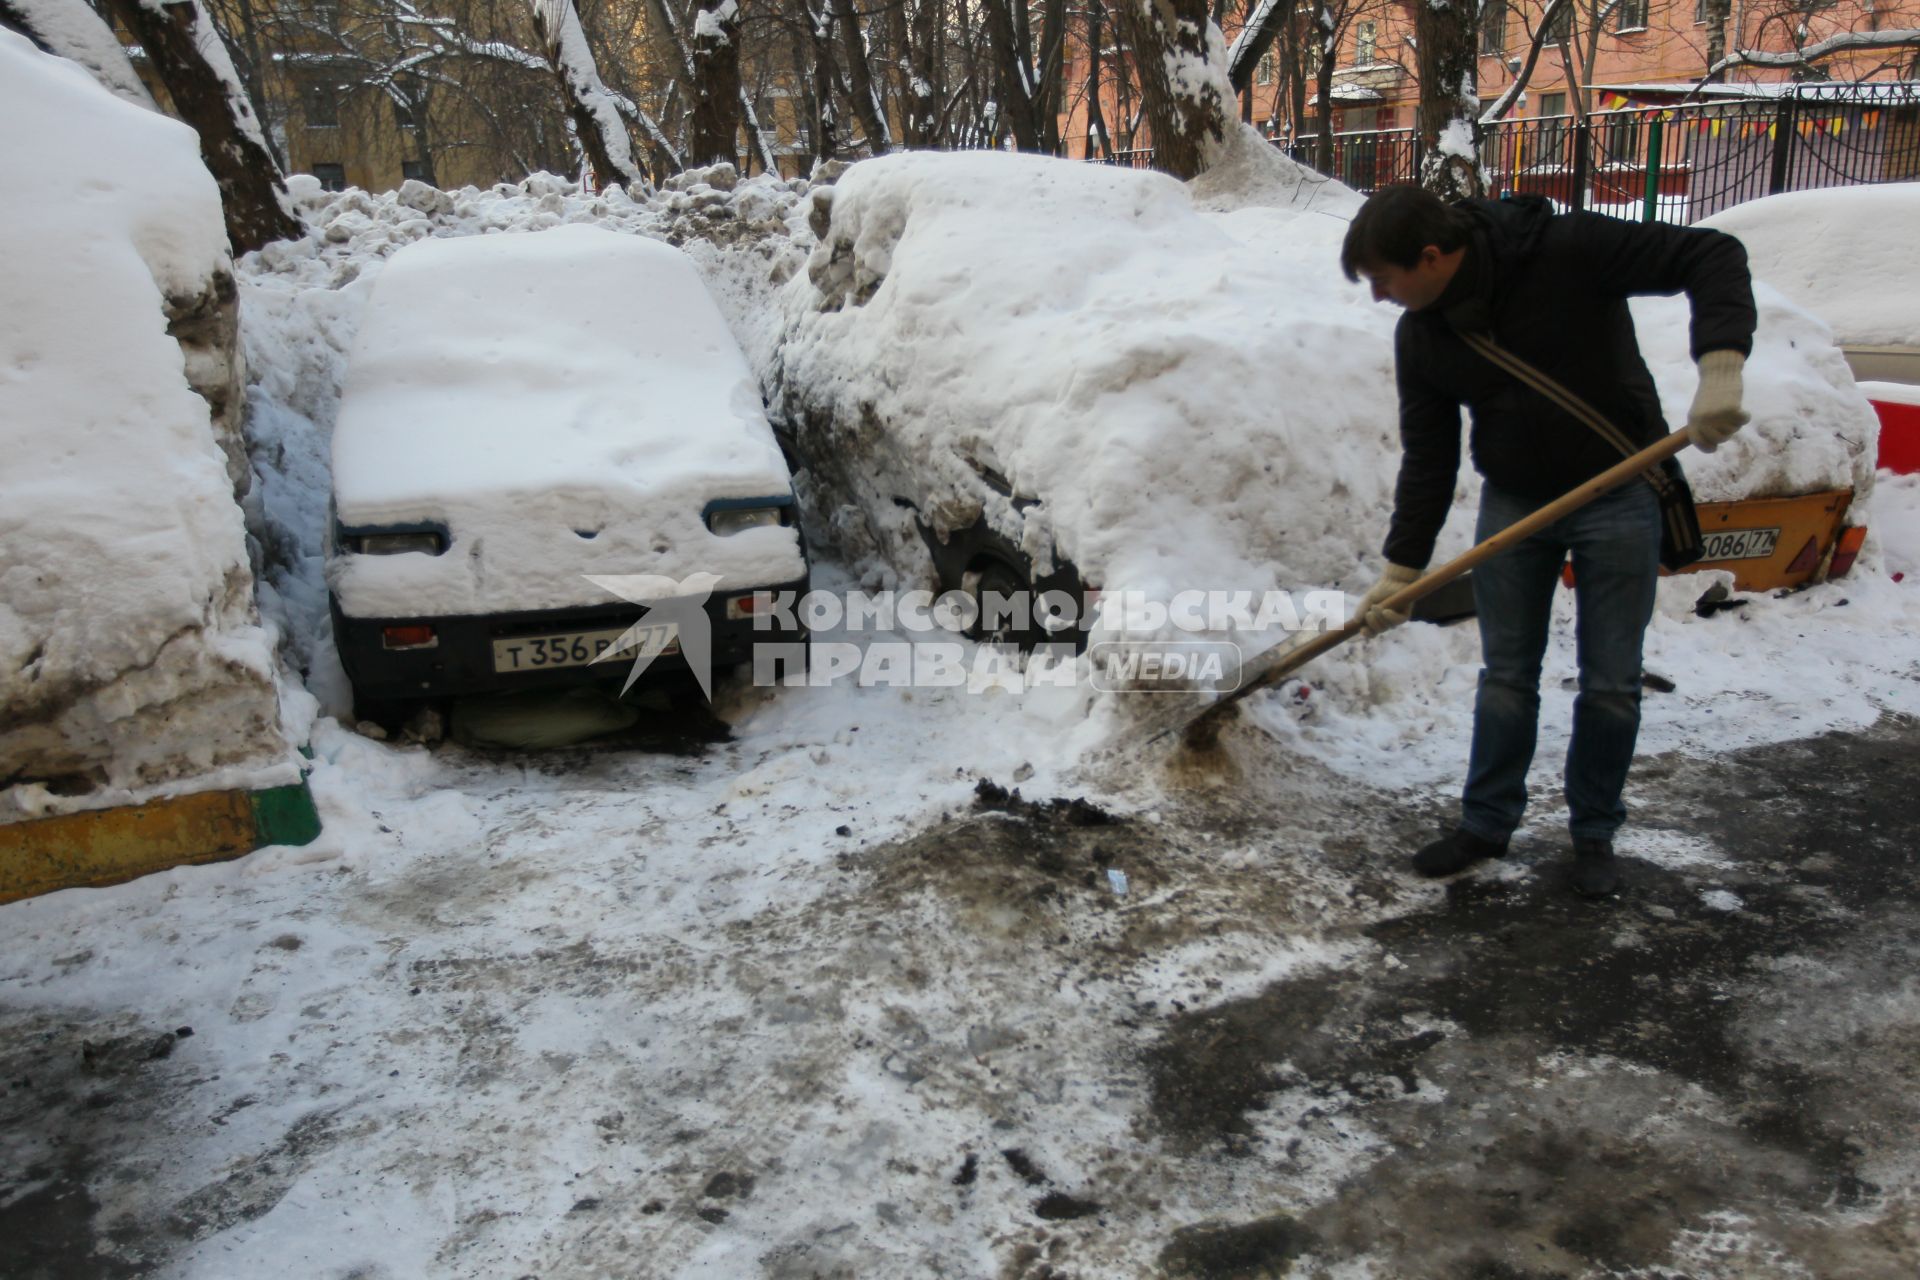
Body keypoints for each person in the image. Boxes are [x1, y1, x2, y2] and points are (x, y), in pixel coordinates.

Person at [1340, 185, 1755, 897]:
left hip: (1619, 494)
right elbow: (1429, 457)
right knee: (1505, 676)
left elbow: (1710, 254)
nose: (1378, 296)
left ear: (1432, 257)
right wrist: (1402, 567)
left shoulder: (1564, 252)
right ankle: (1486, 823)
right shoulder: (1425, 336)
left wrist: (1721, 364)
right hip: (1515, 502)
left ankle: (1594, 833)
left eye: (1383, 278)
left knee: (1611, 682)